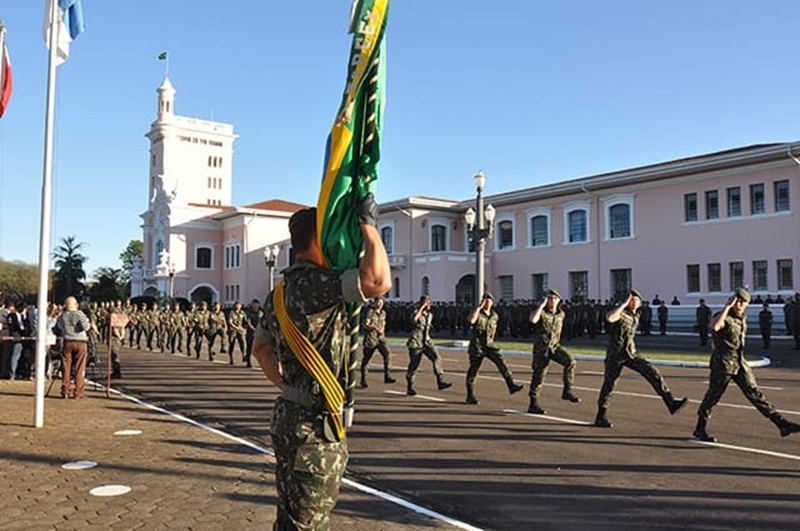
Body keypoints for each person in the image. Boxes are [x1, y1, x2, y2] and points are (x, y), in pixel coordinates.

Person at [252, 196, 391, 530]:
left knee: (289, 517)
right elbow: (378, 282)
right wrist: (369, 228)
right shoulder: (317, 284)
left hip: (288, 415)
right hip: (314, 425)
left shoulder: (278, 293)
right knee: (309, 523)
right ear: (321, 238)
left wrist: (288, 387)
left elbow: (260, 349)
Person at [693, 288, 800, 442]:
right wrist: (727, 307)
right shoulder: (724, 316)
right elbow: (715, 327)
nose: (739, 305)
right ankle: (700, 429)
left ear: (747, 304)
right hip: (723, 364)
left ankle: (782, 424)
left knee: (755, 393)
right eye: (737, 301)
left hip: (739, 362)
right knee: (712, 398)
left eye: (742, 302)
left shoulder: (742, 318)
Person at [594, 290, 688, 428]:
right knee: (609, 385)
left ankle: (671, 402)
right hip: (615, 355)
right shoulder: (620, 313)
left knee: (652, 371)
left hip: (631, 353)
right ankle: (600, 416)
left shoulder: (636, 315)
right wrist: (623, 304)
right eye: (631, 300)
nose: (633, 302)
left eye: (636, 300)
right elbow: (609, 318)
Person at [464, 292, 523, 405]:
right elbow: (471, 320)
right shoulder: (477, 312)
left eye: (489, 300)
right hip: (477, 346)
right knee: (474, 370)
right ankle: (470, 395)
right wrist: (478, 307)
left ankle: (511, 385)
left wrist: (492, 339)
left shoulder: (494, 315)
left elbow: (494, 329)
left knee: (502, 363)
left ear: (492, 302)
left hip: (490, 345)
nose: (487, 302)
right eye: (485, 300)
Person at [527, 289, 580, 414]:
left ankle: (567, 390)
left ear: (559, 300)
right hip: (542, 349)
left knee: (571, 361)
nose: (551, 300)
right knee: (539, 376)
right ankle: (533, 404)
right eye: (549, 298)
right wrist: (541, 306)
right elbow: (533, 320)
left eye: (554, 298)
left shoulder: (561, 314)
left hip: (555, 346)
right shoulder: (542, 312)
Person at [406, 295, 453, 396]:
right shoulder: (416, 312)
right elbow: (414, 320)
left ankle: (440, 381)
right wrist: (421, 308)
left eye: (429, 303)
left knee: (437, 358)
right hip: (416, 342)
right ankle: (410, 387)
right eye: (426, 303)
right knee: (414, 365)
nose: (428, 305)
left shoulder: (430, 315)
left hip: (426, 342)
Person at [56, 296, 97, 399]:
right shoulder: (80, 314)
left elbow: (59, 327)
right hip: (80, 342)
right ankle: (78, 392)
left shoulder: (63, 315)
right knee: (79, 367)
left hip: (67, 341)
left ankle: (65, 390)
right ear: (76, 304)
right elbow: (86, 327)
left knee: (66, 367)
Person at [359, 296, 396, 387]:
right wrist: (375, 328)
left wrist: (382, 330)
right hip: (371, 339)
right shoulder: (370, 312)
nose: (379, 304)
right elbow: (365, 325)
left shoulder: (383, 313)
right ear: (374, 303)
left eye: (381, 302)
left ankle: (387, 376)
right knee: (366, 360)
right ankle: (363, 379)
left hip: (381, 339)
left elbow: (383, 323)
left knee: (387, 354)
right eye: (378, 302)